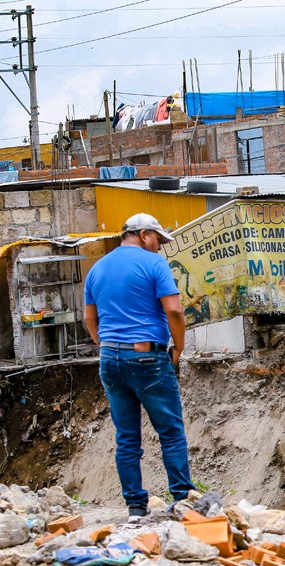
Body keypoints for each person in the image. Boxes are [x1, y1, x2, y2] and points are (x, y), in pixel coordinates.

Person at [83, 212, 194, 521]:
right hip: (147, 357)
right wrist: (178, 347)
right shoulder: (154, 264)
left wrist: (107, 343)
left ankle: (135, 507)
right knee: (171, 432)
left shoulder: (97, 268)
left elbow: (89, 318)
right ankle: (182, 499)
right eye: (158, 239)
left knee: (127, 438)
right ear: (144, 235)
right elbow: (174, 310)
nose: (160, 246)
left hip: (110, 359)